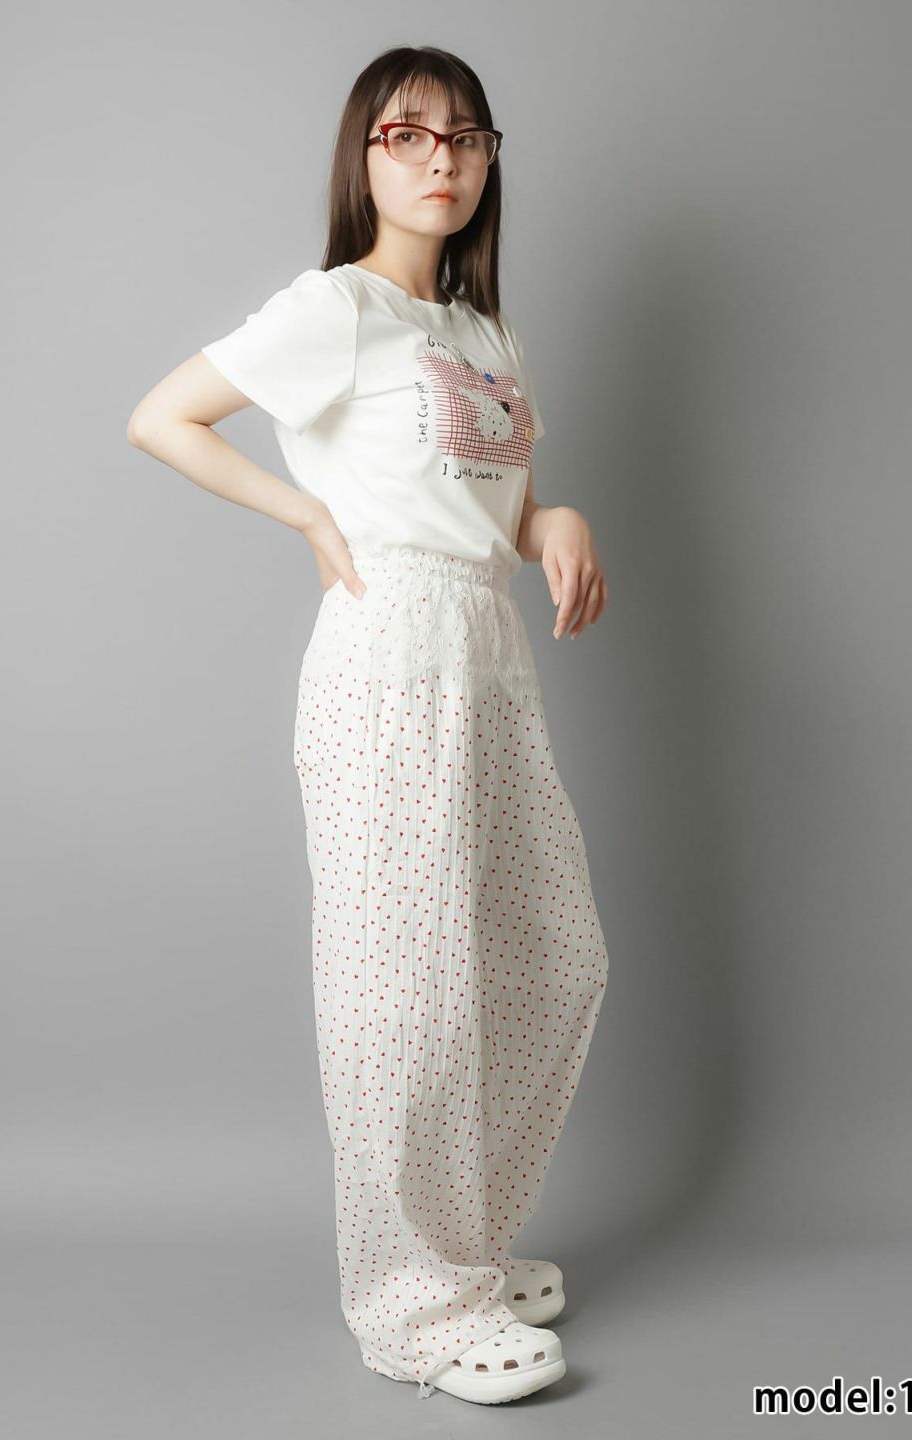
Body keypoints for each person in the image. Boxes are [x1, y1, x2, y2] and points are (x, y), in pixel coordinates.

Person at [126, 44, 610, 1405]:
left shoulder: (481, 334)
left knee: (550, 960)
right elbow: (164, 417)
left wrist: (556, 520)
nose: (440, 159)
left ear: (490, 160)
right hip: (390, 656)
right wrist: (304, 512)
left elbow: (495, 511)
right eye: (409, 135)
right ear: (366, 157)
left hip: (487, 656)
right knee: (407, 995)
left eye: (465, 137)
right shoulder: (334, 308)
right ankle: (414, 1307)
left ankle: (461, 1246)